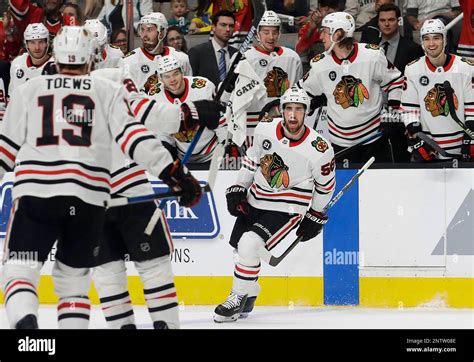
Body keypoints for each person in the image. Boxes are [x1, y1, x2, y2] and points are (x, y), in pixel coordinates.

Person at [0, 25, 205, 329]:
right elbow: (137, 136)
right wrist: (177, 173)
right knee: (100, 276)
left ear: (54, 56)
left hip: (39, 192)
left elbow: (5, 149)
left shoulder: (30, 88)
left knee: (24, 268)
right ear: (92, 57)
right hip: (94, 193)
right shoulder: (110, 86)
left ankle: (26, 328)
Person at [89, 58, 223, 329]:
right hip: (129, 187)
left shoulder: (44, 93)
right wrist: (189, 115)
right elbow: (141, 122)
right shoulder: (111, 77)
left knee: (107, 273)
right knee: (154, 268)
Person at [214, 87, 336, 323]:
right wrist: (240, 186)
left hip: (288, 206)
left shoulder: (319, 149)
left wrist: (315, 213)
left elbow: (325, 186)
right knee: (241, 249)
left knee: (249, 244)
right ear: (281, 110)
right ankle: (250, 291)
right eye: (288, 109)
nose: (292, 115)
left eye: (299, 110)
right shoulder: (264, 129)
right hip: (256, 198)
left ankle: (236, 297)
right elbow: (252, 158)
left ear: (306, 112)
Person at [298, 12, 403, 163]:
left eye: (325, 32)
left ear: (338, 34)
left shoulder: (371, 55)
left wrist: (392, 113)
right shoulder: (320, 63)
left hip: (374, 141)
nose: (321, 37)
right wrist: (278, 106)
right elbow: (302, 92)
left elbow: (397, 82)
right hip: (340, 145)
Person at [401, 19, 474, 162]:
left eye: (436, 38)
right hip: (429, 147)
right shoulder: (412, 69)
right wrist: (415, 134)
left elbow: (472, 108)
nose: (431, 44)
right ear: (422, 42)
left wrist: (471, 136)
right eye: (426, 39)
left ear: (444, 40)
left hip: (461, 147)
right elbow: (409, 110)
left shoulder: (466, 68)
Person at [232, 10, 303, 144]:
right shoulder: (244, 58)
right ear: (258, 33)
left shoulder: (292, 57)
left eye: (274, 32)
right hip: (251, 128)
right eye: (266, 32)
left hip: (283, 125)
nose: (271, 37)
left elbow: (297, 91)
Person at [150, 55, 225, 164]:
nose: (172, 80)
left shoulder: (203, 87)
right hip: (182, 158)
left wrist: (226, 146)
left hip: (212, 154)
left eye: (175, 73)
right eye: (167, 76)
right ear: (160, 79)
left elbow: (220, 121)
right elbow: (161, 131)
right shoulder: (155, 97)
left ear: (182, 72)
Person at [123, 12, 192, 93]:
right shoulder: (129, 61)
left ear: (162, 33)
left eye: (149, 29)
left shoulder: (181, 58)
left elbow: (188, 91)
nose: (144, 35)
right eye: (142, 29)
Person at [188, 10, 237, 87]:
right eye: (223, 25)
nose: (228, 29)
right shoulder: (197, 52)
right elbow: (190, 82)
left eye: (231, 26)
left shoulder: (237, 54)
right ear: (213, 27)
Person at [9, 23, 55, 95]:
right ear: (26, 44)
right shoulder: (17, 63)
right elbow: (11, 98)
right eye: (32, 42)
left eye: (41, 42)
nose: (37, 47)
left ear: (47, 43)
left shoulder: (56, 66)